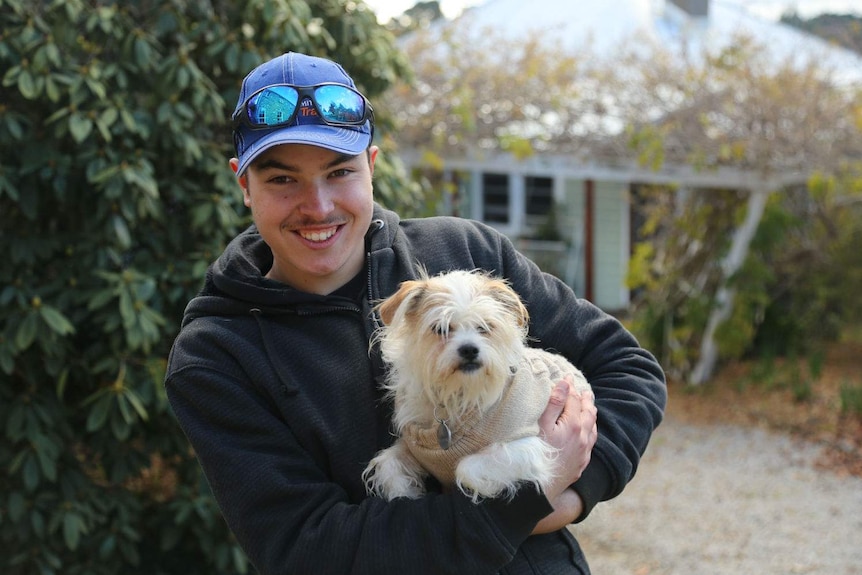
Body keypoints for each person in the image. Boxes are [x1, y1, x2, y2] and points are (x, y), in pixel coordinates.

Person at [165, 51, 666, 575]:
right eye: (282, 180)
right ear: (243, 184)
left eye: (339, 171)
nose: (318, 206)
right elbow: (308, 549)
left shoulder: (467, 254)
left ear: (372, 167)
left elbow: (627, 367)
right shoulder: (218, 356)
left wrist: (578, 487)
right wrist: (524, 506)